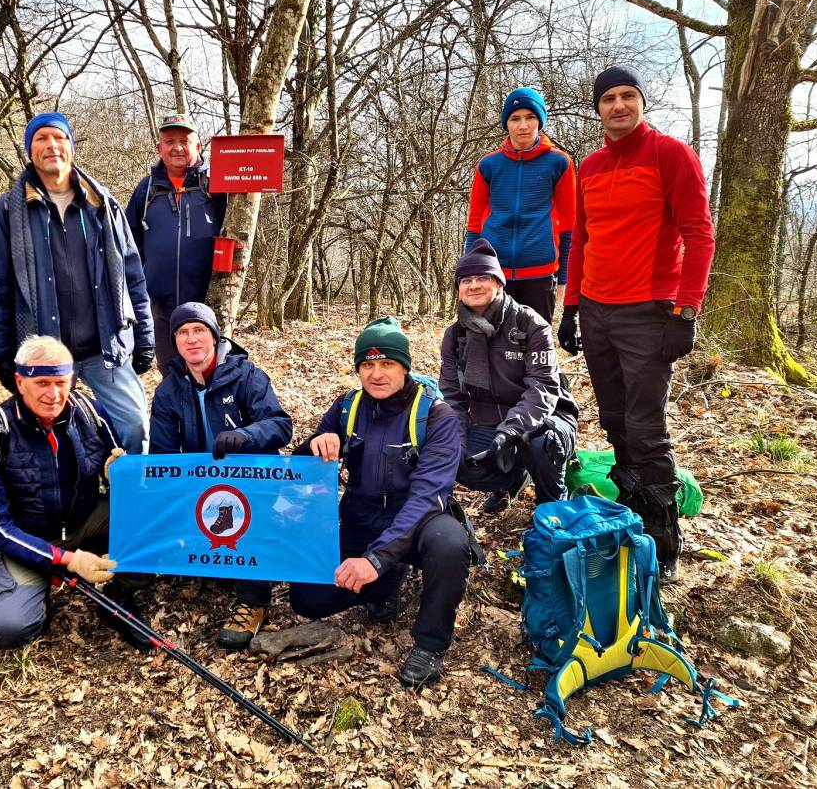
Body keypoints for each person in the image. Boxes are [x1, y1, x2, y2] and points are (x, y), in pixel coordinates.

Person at [558, 64, 715, 579]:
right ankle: (633, 519)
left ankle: (663, 539)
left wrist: (686, 309)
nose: (619, 106)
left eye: (629, 96)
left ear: (642, 103)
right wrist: (572, 305)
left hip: (649, 313)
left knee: (647, 430)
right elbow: (582, 240)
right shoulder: (593, 166)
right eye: (609, 99)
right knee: (616, 423)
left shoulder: (671, 154)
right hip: (598, 311)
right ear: (598, 108)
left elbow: (699, 233)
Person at [287, 317, 479, 688]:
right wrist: (315, 444)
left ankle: (430, 644)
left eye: (387, 363)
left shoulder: (437, 416)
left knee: (450, 545)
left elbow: (428, 496)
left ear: (404, 366)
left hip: (419, 520)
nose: (377, 374)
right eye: (367, 364)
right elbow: (307, 465)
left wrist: (375, 559)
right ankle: (385, 585)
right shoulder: (347, 406)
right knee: (307, 599)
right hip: (362, 514)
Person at [0, 111, 155, 454]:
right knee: (50, 438)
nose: (52, 146)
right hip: (46, 351)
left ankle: (130, 499)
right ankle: (72, 501)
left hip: (105, 345)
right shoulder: (8, 211)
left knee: (135, 425)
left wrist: (145, 336)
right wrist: (1, 353)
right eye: (41, 139)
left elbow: (132, 273)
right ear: (30, 150)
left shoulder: (102, 205)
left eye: (59, 138)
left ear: (71, 146)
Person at [0, 335, 150, 649]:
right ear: (19, 381)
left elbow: (120, 466)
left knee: (149, 521)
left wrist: (118, 473)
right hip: (29, 536)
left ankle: (119, 595)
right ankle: (40, 587)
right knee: (10, 629)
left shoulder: (89, 411)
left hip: (85, 517)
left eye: (61, 382)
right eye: (42, 383)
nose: (54, 394)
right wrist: (67, 560)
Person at [149, 302, 293, 648]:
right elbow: (163, 454)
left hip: (251, 482)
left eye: (199, 330)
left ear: (214, 337)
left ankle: (254, 600)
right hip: (201, 482)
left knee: (245, 507)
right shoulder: (169, 390)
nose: (191, 339)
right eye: (183, 332)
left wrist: (247, 436)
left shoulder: (246, 376)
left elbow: (280, 425)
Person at [440, 239, 579, 514]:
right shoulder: (455, 335)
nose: (474, 285)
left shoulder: (531, 325)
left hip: (545, 416)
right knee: (451, 452)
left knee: (540, 442)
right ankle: (510, 481)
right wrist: (456, 439)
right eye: (466, 280)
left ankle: (552, 502)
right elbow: (451, 396)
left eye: (483, 277)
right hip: (488, 418)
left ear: (500, 283)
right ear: (458, 289)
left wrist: (511, 430)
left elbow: (543, 388)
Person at [464, 86, 576, 322]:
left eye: (530, 117)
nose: (523, 126)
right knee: (493, 349)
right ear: (506, 123)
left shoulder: (559, 162)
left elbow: (569, 226)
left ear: (540, 121)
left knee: (535, 348)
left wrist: (564, 279)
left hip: (541, 274)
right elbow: (475, 224)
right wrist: (468, 273)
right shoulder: (488, 165)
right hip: (493, 273)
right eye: (515, 119)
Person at [125, 113, 225, 372]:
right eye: (169, 141)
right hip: (160, 305)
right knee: (170, 371)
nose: (177, 147)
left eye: (185, 140)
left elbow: (235, 234)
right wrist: (145, 276)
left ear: (198, 147)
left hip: (206, 302)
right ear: (160, 148)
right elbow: (128, 239)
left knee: (209, 371)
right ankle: (177, 413)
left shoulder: (214, 186)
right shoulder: (146, 189)